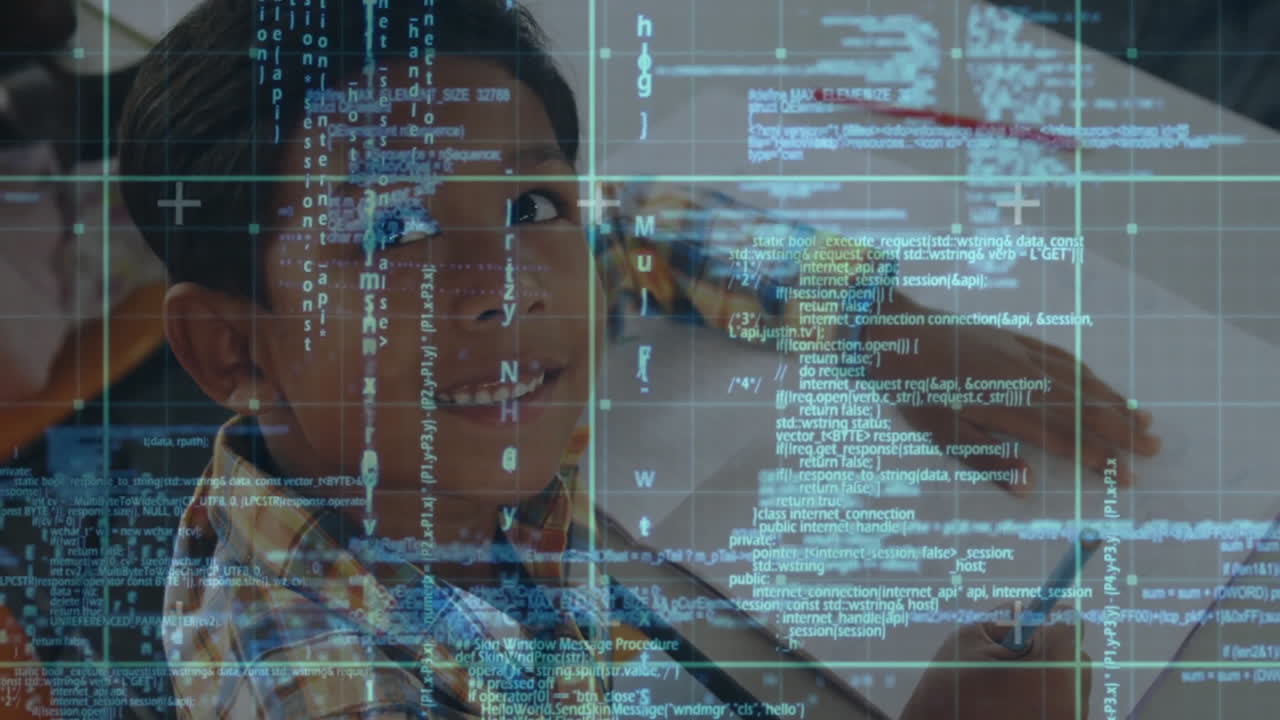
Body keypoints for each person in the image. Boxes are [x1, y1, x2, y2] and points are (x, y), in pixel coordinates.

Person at [117, 0, 1156, 716]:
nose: (510, 284)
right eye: (393, 231)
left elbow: (634, 224)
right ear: (231, 346)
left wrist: (885, 329)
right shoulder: (319, 683)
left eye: (528, 202)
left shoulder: (436, 399)